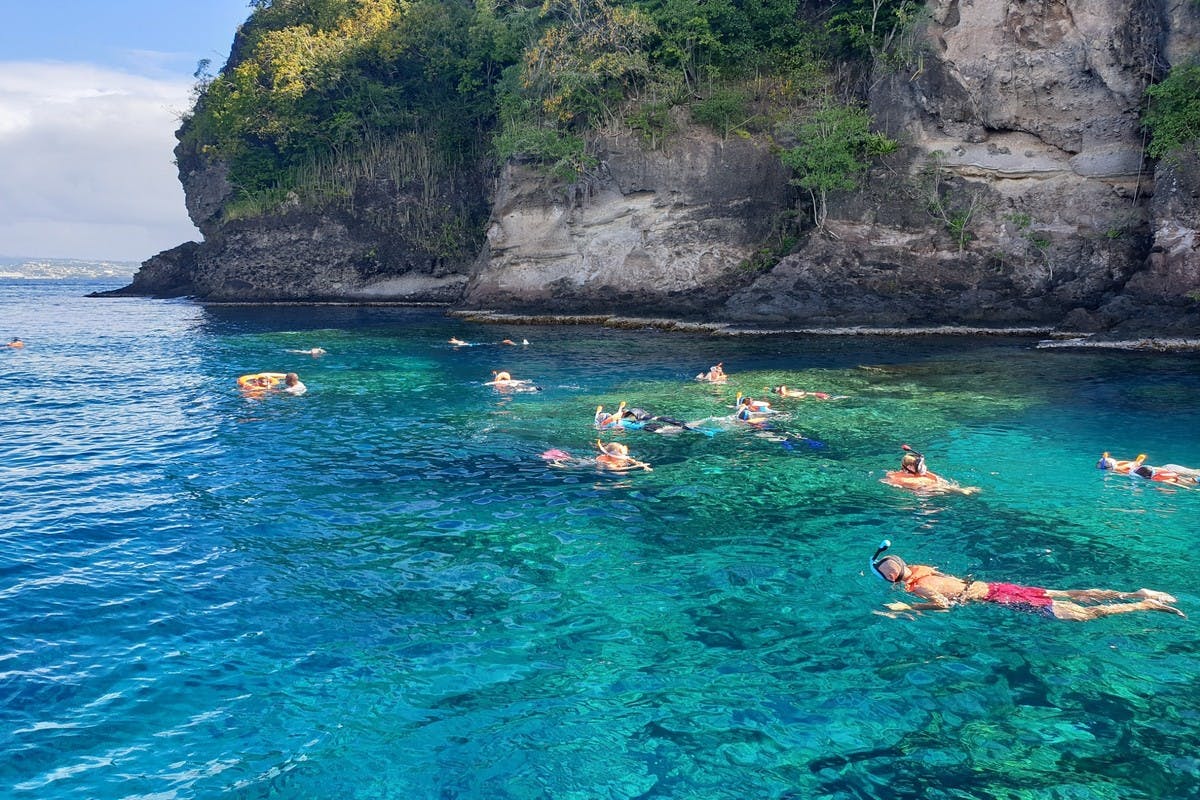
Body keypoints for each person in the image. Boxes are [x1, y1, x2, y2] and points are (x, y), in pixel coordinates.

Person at [869, 540, 1184, 621]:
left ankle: (1144, 604)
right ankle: (1133, 592)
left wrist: (908, 608)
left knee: (1085, 615)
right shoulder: (923, 569)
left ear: (892, 577)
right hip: (997, 586)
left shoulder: (919, 586)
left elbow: (944, 606)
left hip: (1000, 598)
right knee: (1072, 592)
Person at [881, 444, 979, 495]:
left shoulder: (892, 473)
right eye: (920, 465)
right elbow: (937, 487)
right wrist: (961, 490)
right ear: (910, 467)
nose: (924, 467)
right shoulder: (919, 480)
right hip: (921, 495)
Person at [772, 385, 837, 400]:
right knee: (812, 394)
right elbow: (782, 386)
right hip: (803, 394)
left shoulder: (784, 393)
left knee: (813, 394)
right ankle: (830, 397)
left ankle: (830, 397)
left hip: (803, 394)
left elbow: (782, 386)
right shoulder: (784, 393)